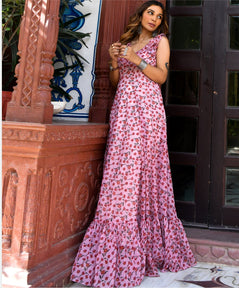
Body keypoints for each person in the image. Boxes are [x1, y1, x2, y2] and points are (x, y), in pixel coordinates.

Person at [70, 1, 196, 287]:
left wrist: (136, 59)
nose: (154, 18)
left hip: (147, 114)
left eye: (159, 16)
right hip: (123, 112)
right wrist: (115, 60)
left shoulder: (160, 41)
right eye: (150, 13)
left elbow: (160, 77)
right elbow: (116, 81)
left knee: (145, 174)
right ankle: (117, 246)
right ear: (140, 15)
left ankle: (147, 247)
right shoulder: (126, 41)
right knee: (121, 175)